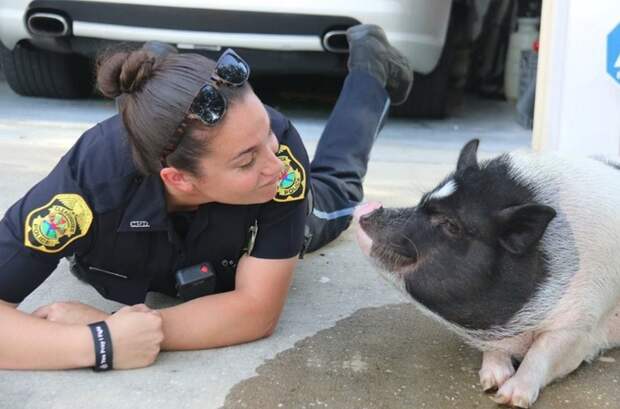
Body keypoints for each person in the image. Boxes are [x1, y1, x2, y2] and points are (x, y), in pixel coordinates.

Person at [0, 24, 412, 370]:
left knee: (336, 195)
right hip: (149, 188)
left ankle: (372, 72)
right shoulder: (87, 189)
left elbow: (256, 310)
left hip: (235, 225)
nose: (278, 165)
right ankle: (158, 67)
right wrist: (99, 344)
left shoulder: (278, 158)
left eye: (265, 133)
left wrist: (121, 326)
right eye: (247, 159)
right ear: (178, 179)